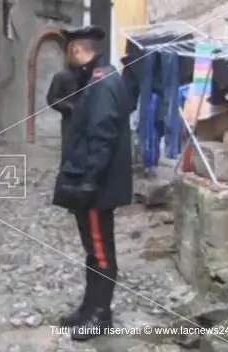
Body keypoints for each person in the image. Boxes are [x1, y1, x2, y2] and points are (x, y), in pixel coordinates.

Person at [51, 25, 132, 342]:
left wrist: (89, 183)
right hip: (92, 183)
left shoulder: (102, 82)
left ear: (75, 50)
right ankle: (88, 307)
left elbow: (102, 138)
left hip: (98, 187)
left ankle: (101, 315)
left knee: (101, 251)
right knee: (92, 250)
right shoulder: (98, 78)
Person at [46, 67, 79, 158]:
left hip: (92, 122)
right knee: (69, 153)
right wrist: (69, 106)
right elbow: (52, 99)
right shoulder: (62, 76)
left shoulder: (94, 75)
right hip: (70, 120)